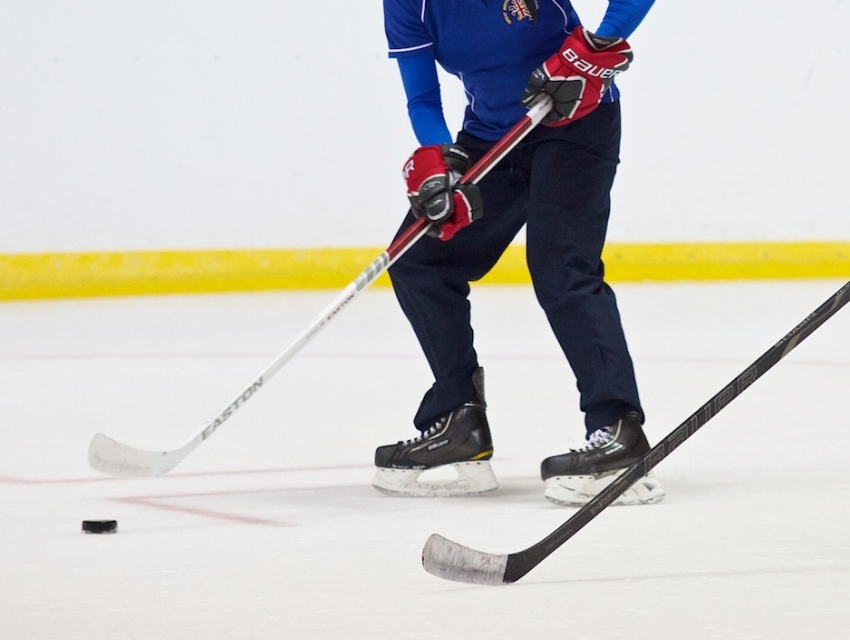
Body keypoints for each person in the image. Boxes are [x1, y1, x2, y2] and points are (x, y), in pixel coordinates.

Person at [372, 0, 665, 506]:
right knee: (421, 259)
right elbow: (422, 97)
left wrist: (600, 41)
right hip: (493, 138)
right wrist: (439, 158)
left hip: (576, 122)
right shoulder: (406, 4)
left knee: (561, 266)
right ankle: (458, 420)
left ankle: (617, 428)